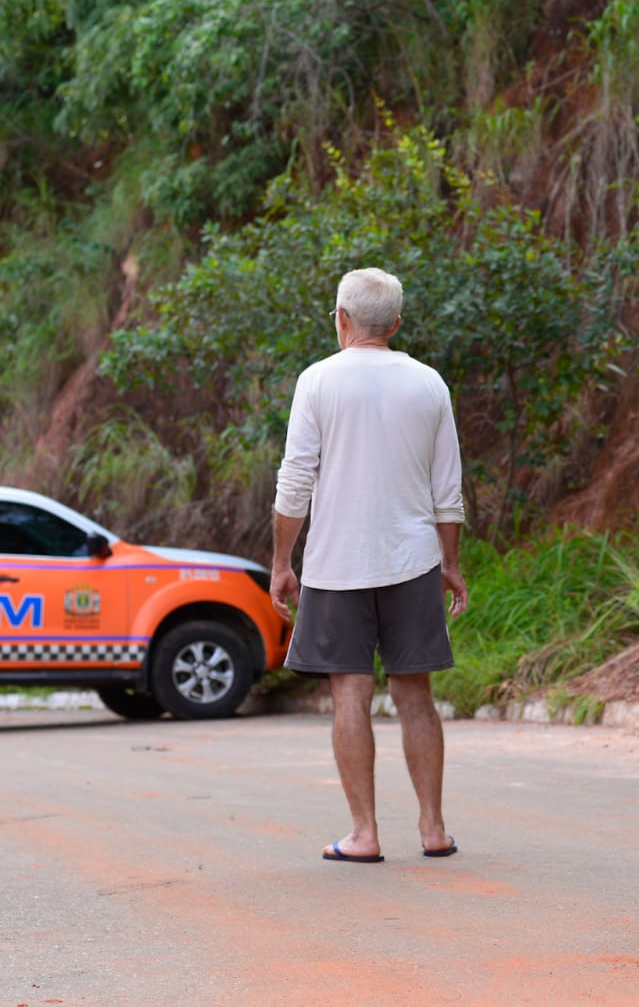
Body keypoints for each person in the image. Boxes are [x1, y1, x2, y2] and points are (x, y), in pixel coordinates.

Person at [270, 267, 468, 864]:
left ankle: (364, 834)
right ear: (397, 324)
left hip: (336, 565)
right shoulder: (429, 383)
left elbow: (295, 479)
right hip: (412, 560)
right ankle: (433, 829)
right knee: (416, 697)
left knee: (349, 696)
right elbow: (447, 489)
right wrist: (450, 564)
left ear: (341, 319)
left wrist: (282, 560)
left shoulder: (318, 381)